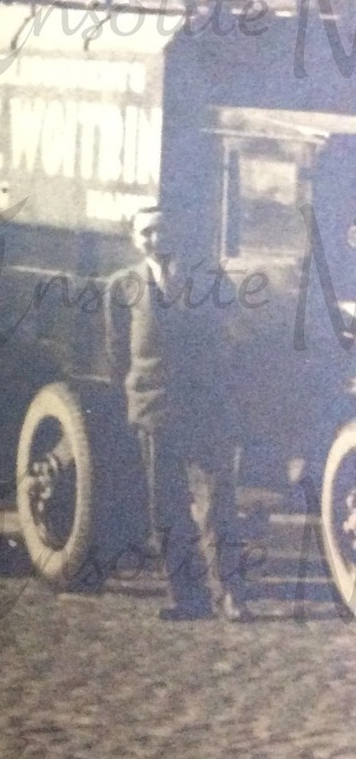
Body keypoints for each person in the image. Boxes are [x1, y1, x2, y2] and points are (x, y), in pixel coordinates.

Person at [105, 206, 247, 621]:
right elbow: (116, 350)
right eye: (146, 231)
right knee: (165, 507)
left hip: (204, 407)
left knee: (217, 502)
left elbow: (233, 333)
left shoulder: (209, 279)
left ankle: (232, 594)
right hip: (153, 409)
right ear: (134, 238)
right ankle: (188, 597)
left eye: (162, 229)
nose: (155, 238)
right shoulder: (123, 286)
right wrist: (136, 392)